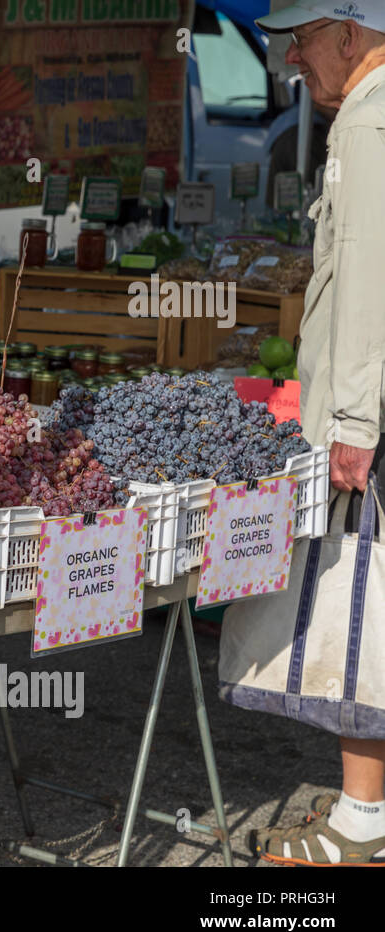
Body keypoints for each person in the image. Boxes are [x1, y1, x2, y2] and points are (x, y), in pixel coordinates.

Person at [248, 2, 385, 866]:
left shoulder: (371, 124)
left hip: (372, 416)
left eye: (299, 41)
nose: (292, 60)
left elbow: (370, 277)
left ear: (349, 32)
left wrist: (354, 420)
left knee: (365, 607)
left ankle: (362, 820)